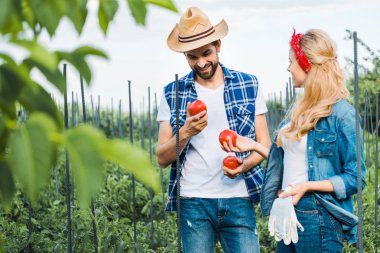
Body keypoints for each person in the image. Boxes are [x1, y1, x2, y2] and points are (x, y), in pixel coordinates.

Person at [224, 29, 367, 252]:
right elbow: (290, 161)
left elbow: (356, 177)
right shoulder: (299, 112)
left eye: (291, 61)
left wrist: (306, 187)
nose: (288, 68)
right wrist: (252, 145)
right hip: (288, 212)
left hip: (319, 214)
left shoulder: (342, 115)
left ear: (307, 64)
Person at [156, 6, 270, 253]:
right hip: (193, 200)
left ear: (218, 45)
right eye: (192, 57)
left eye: (206, 53)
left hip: (239, 197)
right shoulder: (171, 93)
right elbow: (162, 158)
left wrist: (243, 166)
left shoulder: (249, 85)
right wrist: (186, 131)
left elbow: (265, 145)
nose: (201, 63)